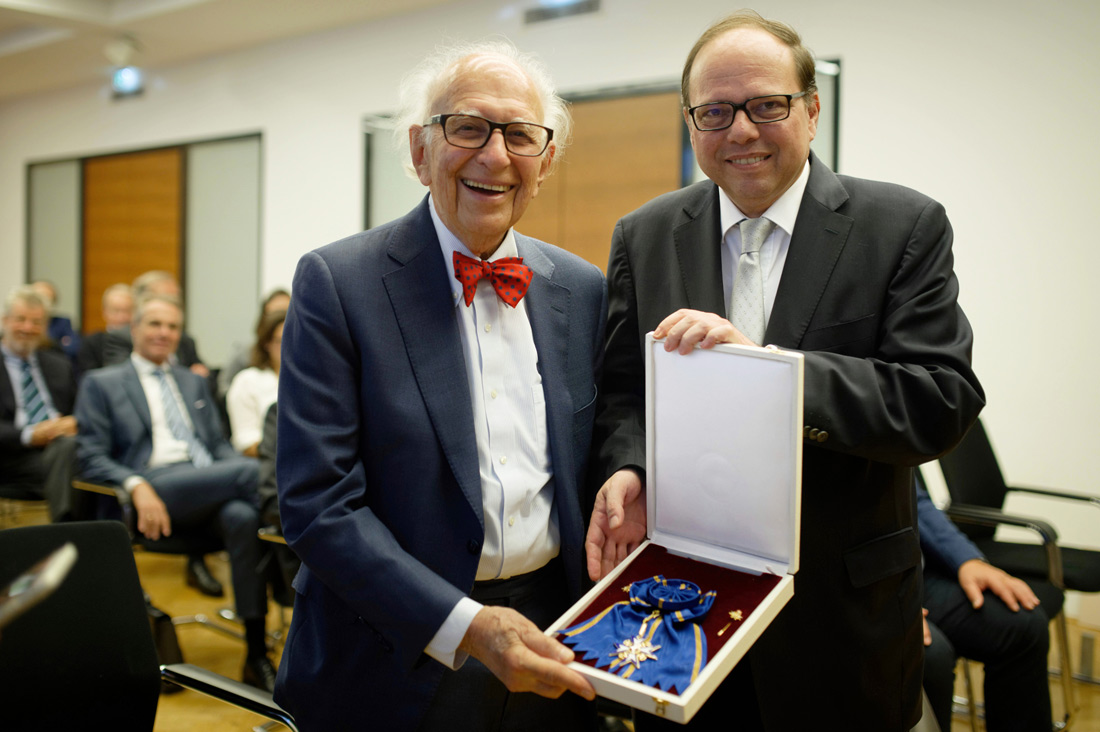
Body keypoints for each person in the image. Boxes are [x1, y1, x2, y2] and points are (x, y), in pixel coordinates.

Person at [585, 11, 985, 731]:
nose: (740, 131)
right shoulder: (642, 235)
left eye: (766, 105)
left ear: (811, 110)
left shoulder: (902, 226)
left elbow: (940, 402)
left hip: (845, 620)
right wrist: (627, 467)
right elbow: (622, 395)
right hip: (683, 616)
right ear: (691, 122)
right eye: (714, 112)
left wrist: (770, 371)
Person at [274, 40, 605, 732]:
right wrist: (467, 626)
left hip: (555, 643)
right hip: (392, 656)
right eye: (468, 128)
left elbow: (601, 459)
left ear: (543, 164)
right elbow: (317, 505)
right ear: (420, 151)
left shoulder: (583, 288)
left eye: (520, 135)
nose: (495, 156)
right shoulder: (337, 284)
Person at [74, 293, 276, 691]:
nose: (164, 333)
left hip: (211, 485)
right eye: (155, 324)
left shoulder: (193, 380)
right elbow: (89, 456)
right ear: (134, 329)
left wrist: (226, 466)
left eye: (172, 327)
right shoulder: (102, 383)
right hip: (154, 486)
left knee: (243, 516)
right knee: (253, 475)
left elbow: (217, 446)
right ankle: (295, 544)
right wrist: (136, 485)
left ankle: (256, 654)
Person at [916, 474, 1051, 732]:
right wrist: (884, 602)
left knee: (1022, 625)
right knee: (928, 657)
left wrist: (968, 560)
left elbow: (917, 502)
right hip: (857, 587)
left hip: (917, 576)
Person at [0, 286, 79, 521]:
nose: (28, 328)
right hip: (13, 452)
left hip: (62, 445)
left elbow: (81, 410)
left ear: (45, 327)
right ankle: (68, 529)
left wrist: (73, 422)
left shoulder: (58, 365)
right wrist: (29, 434)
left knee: (73, 451)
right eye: (21, 320)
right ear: (5, 320)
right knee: (76, 464)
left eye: (36, 322)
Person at [226, 309, 284, 456]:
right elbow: (247, 444)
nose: (287, 348)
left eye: (294, 340)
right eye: (280, 341)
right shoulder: (247, 381)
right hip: (269, 462)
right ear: (267, 344)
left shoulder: (312, 380)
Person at [218, 288, 290, 399]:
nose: (282, 319)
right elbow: (224, 387)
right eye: (275, 313)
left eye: (287, 312)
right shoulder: (247, 376)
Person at [76, 283, 135, 377]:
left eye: (128, 310)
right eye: (116, 311)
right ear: (105, 312)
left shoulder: (141, 341)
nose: (122, 317)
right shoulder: (91, 343)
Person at [30, 280, 80, 362]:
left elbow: (73, 348)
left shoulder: (62, 322)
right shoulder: (23, 325)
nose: (43, 305)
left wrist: (49, 344)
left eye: (48, 301)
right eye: (38, 300)